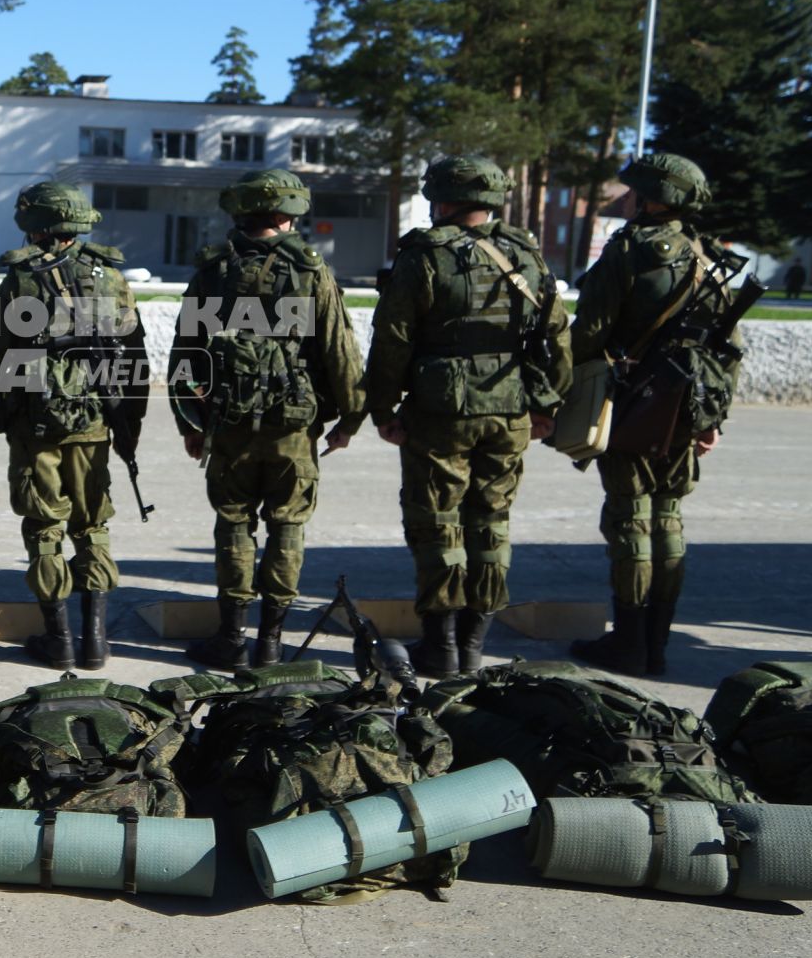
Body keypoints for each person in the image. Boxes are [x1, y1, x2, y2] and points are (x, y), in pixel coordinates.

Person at [363, 155, 570, 676]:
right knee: (491, 524)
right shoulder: (525, 252)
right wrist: (548, 403)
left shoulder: (424, 254)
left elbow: (392, 340)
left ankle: (443, 649)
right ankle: (475, 647)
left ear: (444, 198)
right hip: (510, 408)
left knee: (438, 525)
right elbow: (558, 335)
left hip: (441, 412)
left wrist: (383, 409)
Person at [169, 169, 366, 668]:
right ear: (289, 213)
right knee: (288, 526)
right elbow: (340, 351)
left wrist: (190, 424)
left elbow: (186, 352)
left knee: (233, 525)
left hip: (229, 424)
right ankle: (272, 643)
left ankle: (231, 639)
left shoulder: (214, 270)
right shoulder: (312, 270)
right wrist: (350, 420)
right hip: (293, 428)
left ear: (241, 211)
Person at [570, 153, 743, 677]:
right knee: (668, 521)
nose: (626, 199)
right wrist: (712, 418)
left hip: (637, 402)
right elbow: (728, 348)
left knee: (630, 521)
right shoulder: (709, 256)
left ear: (652, 198)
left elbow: (588, 333)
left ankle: (629, 644)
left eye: (633, 192)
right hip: (689, 405)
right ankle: (657, 644)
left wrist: (565, 402)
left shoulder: (631, 250)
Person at [0, 181, 148, 670]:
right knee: (93, 527)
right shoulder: (111, 277)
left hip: (36, 424)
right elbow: (134, 355)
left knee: (45, 527)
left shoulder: (21, 280)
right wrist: (130, 424)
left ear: (36, 224)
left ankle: (60, 639)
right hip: (94, 423)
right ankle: (95, 642)